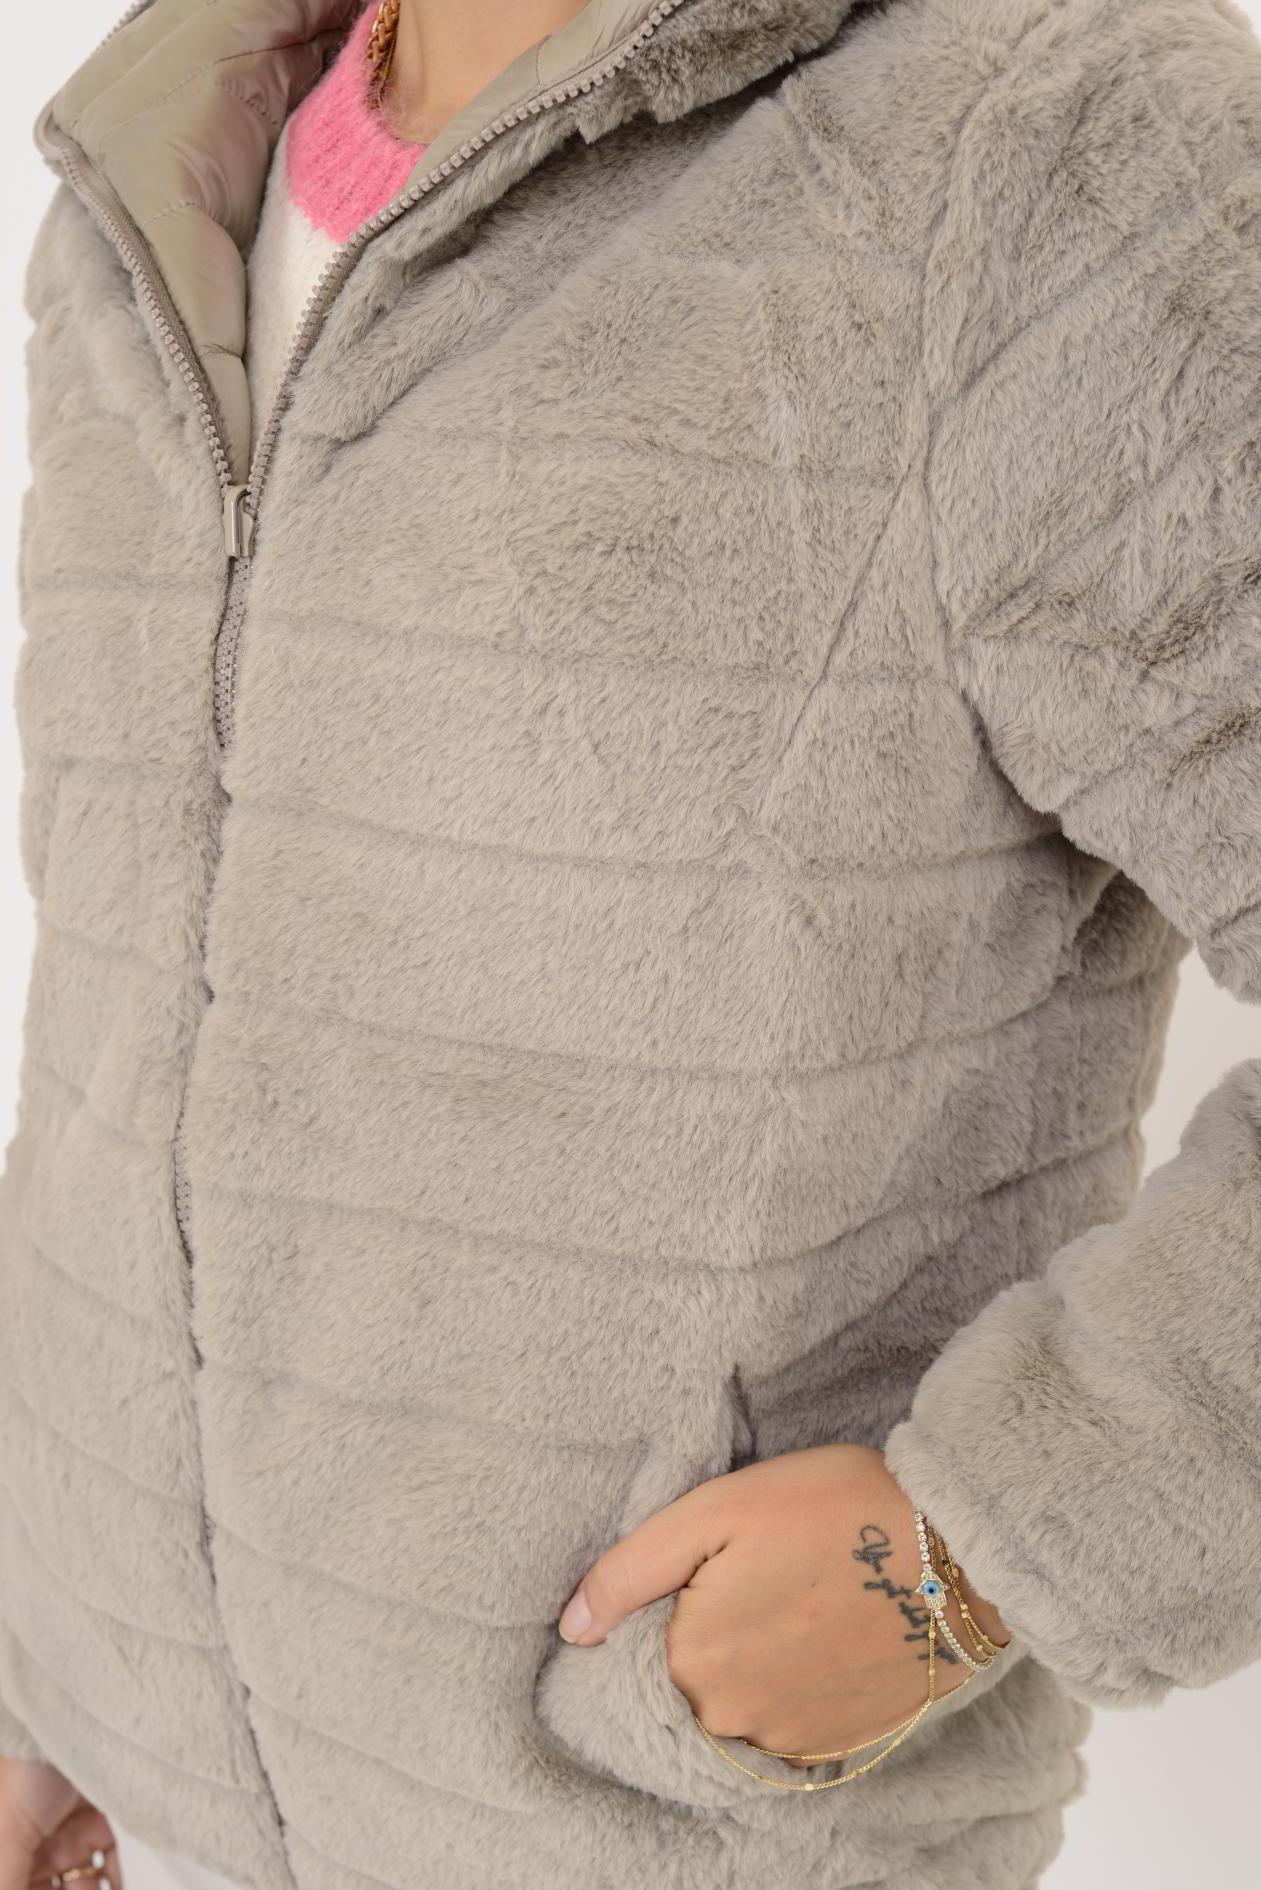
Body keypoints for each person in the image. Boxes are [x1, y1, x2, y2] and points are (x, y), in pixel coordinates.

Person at [1, 0, 1259, 1886]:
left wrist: (983, 1548)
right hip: (155, 1796)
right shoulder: (156, 161)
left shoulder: (1046, 146)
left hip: (672, 1824)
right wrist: (45, 1643)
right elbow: (123, 996)